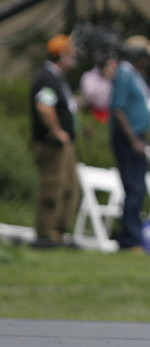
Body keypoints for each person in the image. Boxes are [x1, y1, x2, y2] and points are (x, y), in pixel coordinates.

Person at [109, 35, 150, 252]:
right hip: (128, 139)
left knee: (138, 188)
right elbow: (118, 109)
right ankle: (130, 238)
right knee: (134, 187)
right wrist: (134, 140)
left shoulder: (135, 75)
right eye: (146, 56)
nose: (149, 60)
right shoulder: (124, 73)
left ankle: (130, 236)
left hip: (138, 138)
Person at [29, 34, 81, 247]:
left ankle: (59, 233)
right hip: (52, 144)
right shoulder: (47, 77)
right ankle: (46, 233)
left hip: (64, 145)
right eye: (70, 54)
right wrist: (57, 130)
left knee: (69, 188)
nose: (74, 58)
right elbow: (44, 106)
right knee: (53, 187)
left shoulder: (57, 78)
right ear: (61, 55)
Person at [79, 54, 119, 123]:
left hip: (109, 116)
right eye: (111, 67)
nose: (113, 71)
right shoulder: (89, 77)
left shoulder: (115, 81)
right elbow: (91, 98)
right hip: (92, 115)